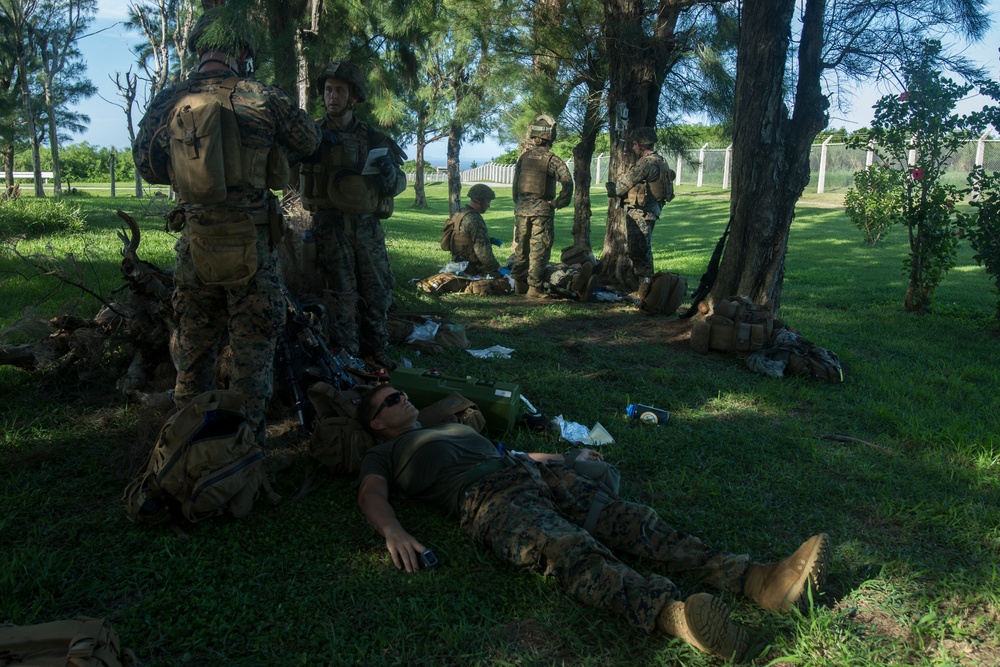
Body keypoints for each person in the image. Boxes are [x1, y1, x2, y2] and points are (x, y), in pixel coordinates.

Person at [356, 383, 832, 662]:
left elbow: (514, 452)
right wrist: (393, 531)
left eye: (399, 393)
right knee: (568, 550)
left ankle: (757, 580)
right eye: (390, 400)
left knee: (632, 519)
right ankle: (675, 616)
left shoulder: (449, 427)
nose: (402, 398)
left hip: (531, 472)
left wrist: (565, 456)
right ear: (377, 423)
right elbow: (370, 495)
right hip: (487, 498)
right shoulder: (384, 452)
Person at [132, 6, 322, 448]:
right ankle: (245, 449)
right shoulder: (263, 96)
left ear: (199, 50)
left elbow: (146, 164)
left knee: (195, 348)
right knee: (253, 351)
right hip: (252, 242)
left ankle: (183, 446)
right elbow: (308, 142)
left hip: (195, 242)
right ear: (243, 53)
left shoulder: (169, 99)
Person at [299, 61, 407, 371]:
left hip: (367, 227)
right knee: (340, 294)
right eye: (329, 90)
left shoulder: (373, 138)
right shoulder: (312, 134)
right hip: (330, 227)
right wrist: (314, 147)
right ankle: (347, 354)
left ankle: (378, 349)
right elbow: (286, 166)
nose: (332, 96)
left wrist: (387, 174)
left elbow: (399, 183)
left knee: (376, 292)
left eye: (340, 91)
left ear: (354, 97)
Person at [510, 114, 573, 299]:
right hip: (541, 212)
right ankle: (534, 289)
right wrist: (557, 203)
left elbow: (516, 184)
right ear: (550, 137)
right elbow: (567, 182)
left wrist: (519, 202)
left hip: (522, 209)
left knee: (521, 247)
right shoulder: (552, 159)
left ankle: (518, 284)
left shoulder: (524, 157)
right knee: (539, 248)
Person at [606, 127, 675, 282]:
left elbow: (620, 188)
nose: (633, 147)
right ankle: (645, 284)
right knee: (644, 248)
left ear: (642, 146)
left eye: (635, 144)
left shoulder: (646, 164)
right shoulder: (660, 160)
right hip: (652, 210)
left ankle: (645, 286)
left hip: (640, 212)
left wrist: (611, 187)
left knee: (639, 251)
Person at [441, 184, 502, 276]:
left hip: (459, 263)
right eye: (487, 202)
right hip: (473, 267)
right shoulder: (474, 219)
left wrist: (489, 239)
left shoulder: (460, 213)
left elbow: (466, 237)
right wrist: (497, 268)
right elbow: (482, 250)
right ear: (478, 201)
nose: (488, 205)